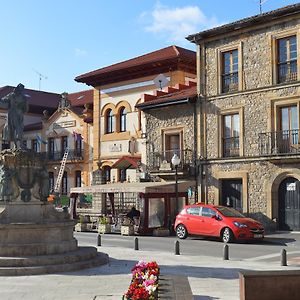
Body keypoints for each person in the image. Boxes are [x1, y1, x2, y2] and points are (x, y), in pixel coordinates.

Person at [0, 83, 29, 149]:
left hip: (19, 114)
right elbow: (4, 100)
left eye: (22, 89)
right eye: (20, 89)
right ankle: (17, 145)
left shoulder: (24, 98)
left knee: (20, 128)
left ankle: (20, 145)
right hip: (12, 114)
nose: (21, 91)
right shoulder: (11, 95)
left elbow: (26, 108)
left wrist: (25, 106)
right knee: (14, 129)